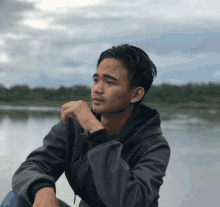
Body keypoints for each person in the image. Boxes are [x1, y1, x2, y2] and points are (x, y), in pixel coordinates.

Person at [1, 44, 171, 207]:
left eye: (109, 82)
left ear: (135, 94)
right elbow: (32, 166)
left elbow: (130, 202)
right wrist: (42, 189)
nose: (97, 89)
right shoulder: (75, 126)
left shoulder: (154, 147)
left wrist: (96, 132)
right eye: (96, 80)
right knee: (16, 199)